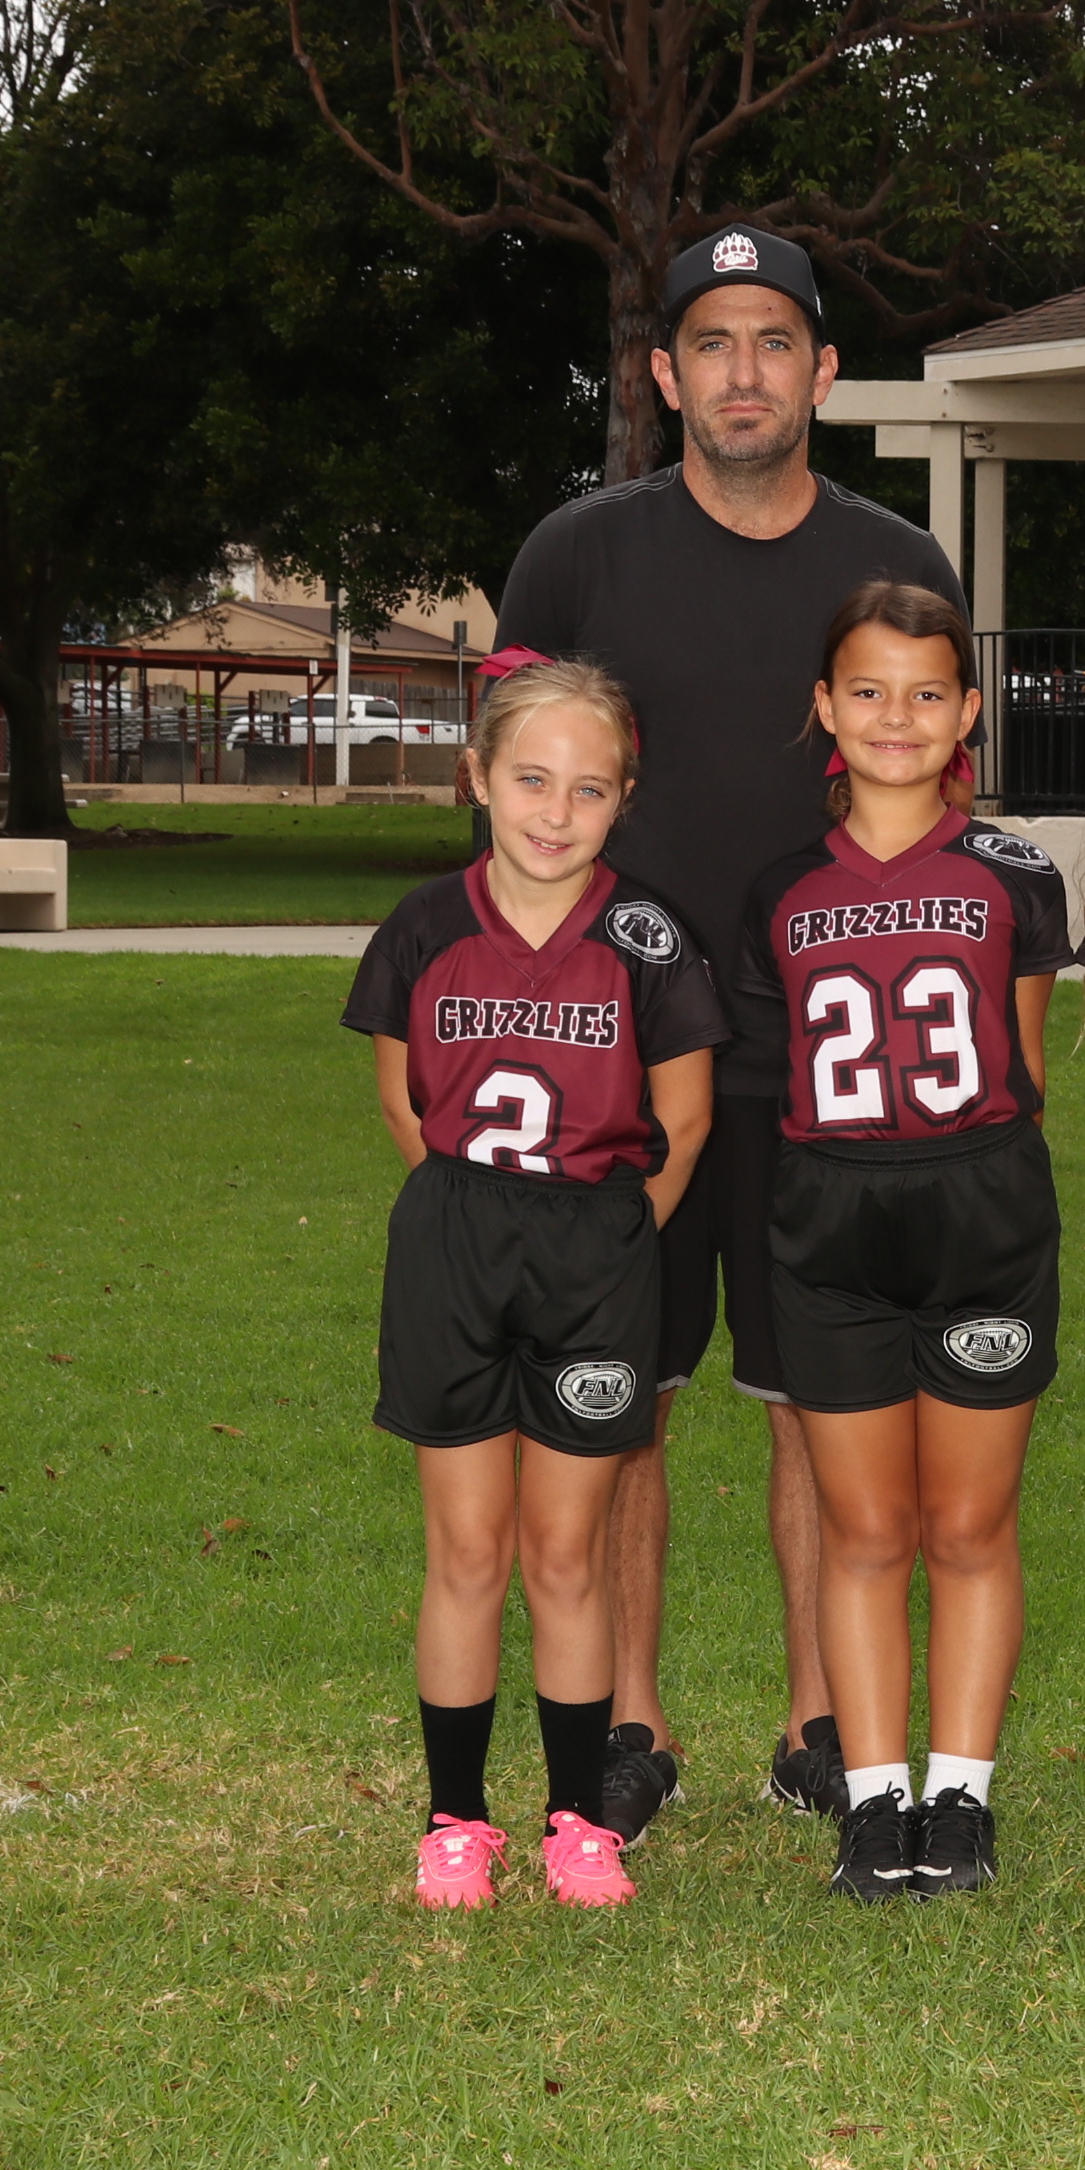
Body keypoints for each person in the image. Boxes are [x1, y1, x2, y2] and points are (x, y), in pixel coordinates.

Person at [494, 224, 966, 1848]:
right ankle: (629, 1723)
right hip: (617, 1057)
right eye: (712, 342)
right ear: (663, 372)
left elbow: (935, 807)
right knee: (621, 1400)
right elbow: (506, 795)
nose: (743, 371)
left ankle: (820, 1721)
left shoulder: (896, 564)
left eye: (774, 340)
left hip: (826, 1053)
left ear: (822, 371)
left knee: (815, 1401)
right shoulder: (577, 557)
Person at [340, 662, 727, 1909]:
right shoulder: (423, 926)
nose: (556, 812)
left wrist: (609, 1235)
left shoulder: (648, 937)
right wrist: (474, 1219)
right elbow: (402, 1102)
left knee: (566, 1552)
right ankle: (455, 1819)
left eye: (589, 788)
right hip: (455, 1242)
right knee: (467, 1547)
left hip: (594, 1252)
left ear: (624, 798)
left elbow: (686, 1119)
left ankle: (578, 1820)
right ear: (477, 779)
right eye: (531, 779)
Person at [733, 584, 1071, 1904]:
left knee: (971, 1524)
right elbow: (775, 1076)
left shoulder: (1015, 873)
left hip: (981, 1209)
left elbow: (1023, 1070)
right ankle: (875, 1801)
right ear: (825, 707)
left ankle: (961, 1796)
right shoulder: (780, 887)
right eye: (868, 691)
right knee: (865, 1528)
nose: (897, 717)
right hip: (832, 1216)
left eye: (928, 692)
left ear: (967, 711)